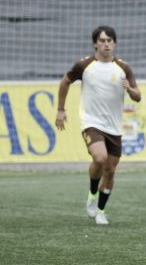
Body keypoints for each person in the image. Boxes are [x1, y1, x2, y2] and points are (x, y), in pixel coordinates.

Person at [55, 26, 141, 225]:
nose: (106, 44)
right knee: (100, 157)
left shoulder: (123, 68)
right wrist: (60, 110)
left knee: (110, 171)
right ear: (95, 43)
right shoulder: (84, 65)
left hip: (114, 126)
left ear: (115, 43)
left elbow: (138, 96)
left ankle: (101, 210)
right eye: (102, 41)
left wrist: (130, 89)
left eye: (110, 40)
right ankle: (93, 192)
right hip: (91, 122)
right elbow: (65, 82)